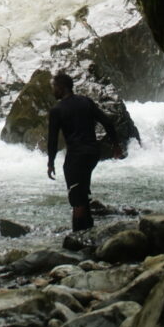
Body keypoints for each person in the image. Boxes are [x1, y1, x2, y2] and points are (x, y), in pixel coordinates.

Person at [47, 73, 121, 231]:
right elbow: (107, 122)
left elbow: (52, 139)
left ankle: (78, 237)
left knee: (76, 197)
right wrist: (116, 145)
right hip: (93, 153)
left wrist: (50, 163)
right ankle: (89, 232)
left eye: (54, 87)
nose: (53, 90)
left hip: (76, 156)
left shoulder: (57, 110)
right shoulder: (86, 102)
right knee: (82, 190)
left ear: (61, 87)